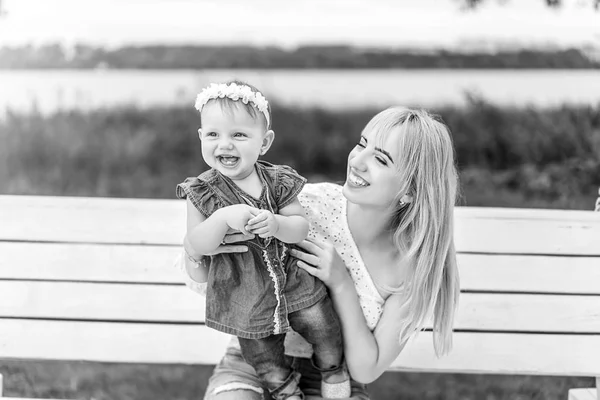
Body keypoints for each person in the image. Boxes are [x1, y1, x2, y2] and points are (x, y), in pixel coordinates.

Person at [181, 106, 461, 400]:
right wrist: (193, 248)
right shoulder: (307, 205)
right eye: (362, 144)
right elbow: (205, 279)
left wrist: (341, 284)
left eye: (380, 159)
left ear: (411, 190)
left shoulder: (410, 267)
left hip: (333, 379)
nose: (358, 161)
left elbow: (367, 369)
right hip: (251, 361)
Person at [177, 80, 351, 400]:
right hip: (244, 295)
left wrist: (276, 223)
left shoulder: (278, 180)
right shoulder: (200, 191)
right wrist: (220, 219)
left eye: (239, 135)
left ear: (264, 142)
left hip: (295, 283)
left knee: (323, 326)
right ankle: (285, 389)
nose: (225, 144)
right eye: (213, 134)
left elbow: (300, 227)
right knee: (262, 355)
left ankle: (332, 368)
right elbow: (197, 243)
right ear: (201, 137)